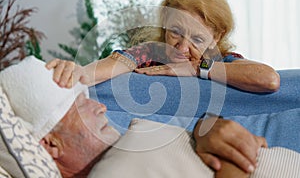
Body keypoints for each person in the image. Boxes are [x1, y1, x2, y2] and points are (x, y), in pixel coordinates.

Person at [0, 56, 270, 178]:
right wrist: (232, 166)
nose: (102, 107)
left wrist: (206, 129)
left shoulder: (133, 137)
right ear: (51, 144)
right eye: (81, 104)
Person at [46, 0, 280, 93]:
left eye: (197, 39)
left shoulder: (222, 60)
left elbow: (269, 79)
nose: (182, 47)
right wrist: (77, 72)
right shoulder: (149, 53)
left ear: (216, 37)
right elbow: (99, 71)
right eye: (176, 33)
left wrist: (198, 69)